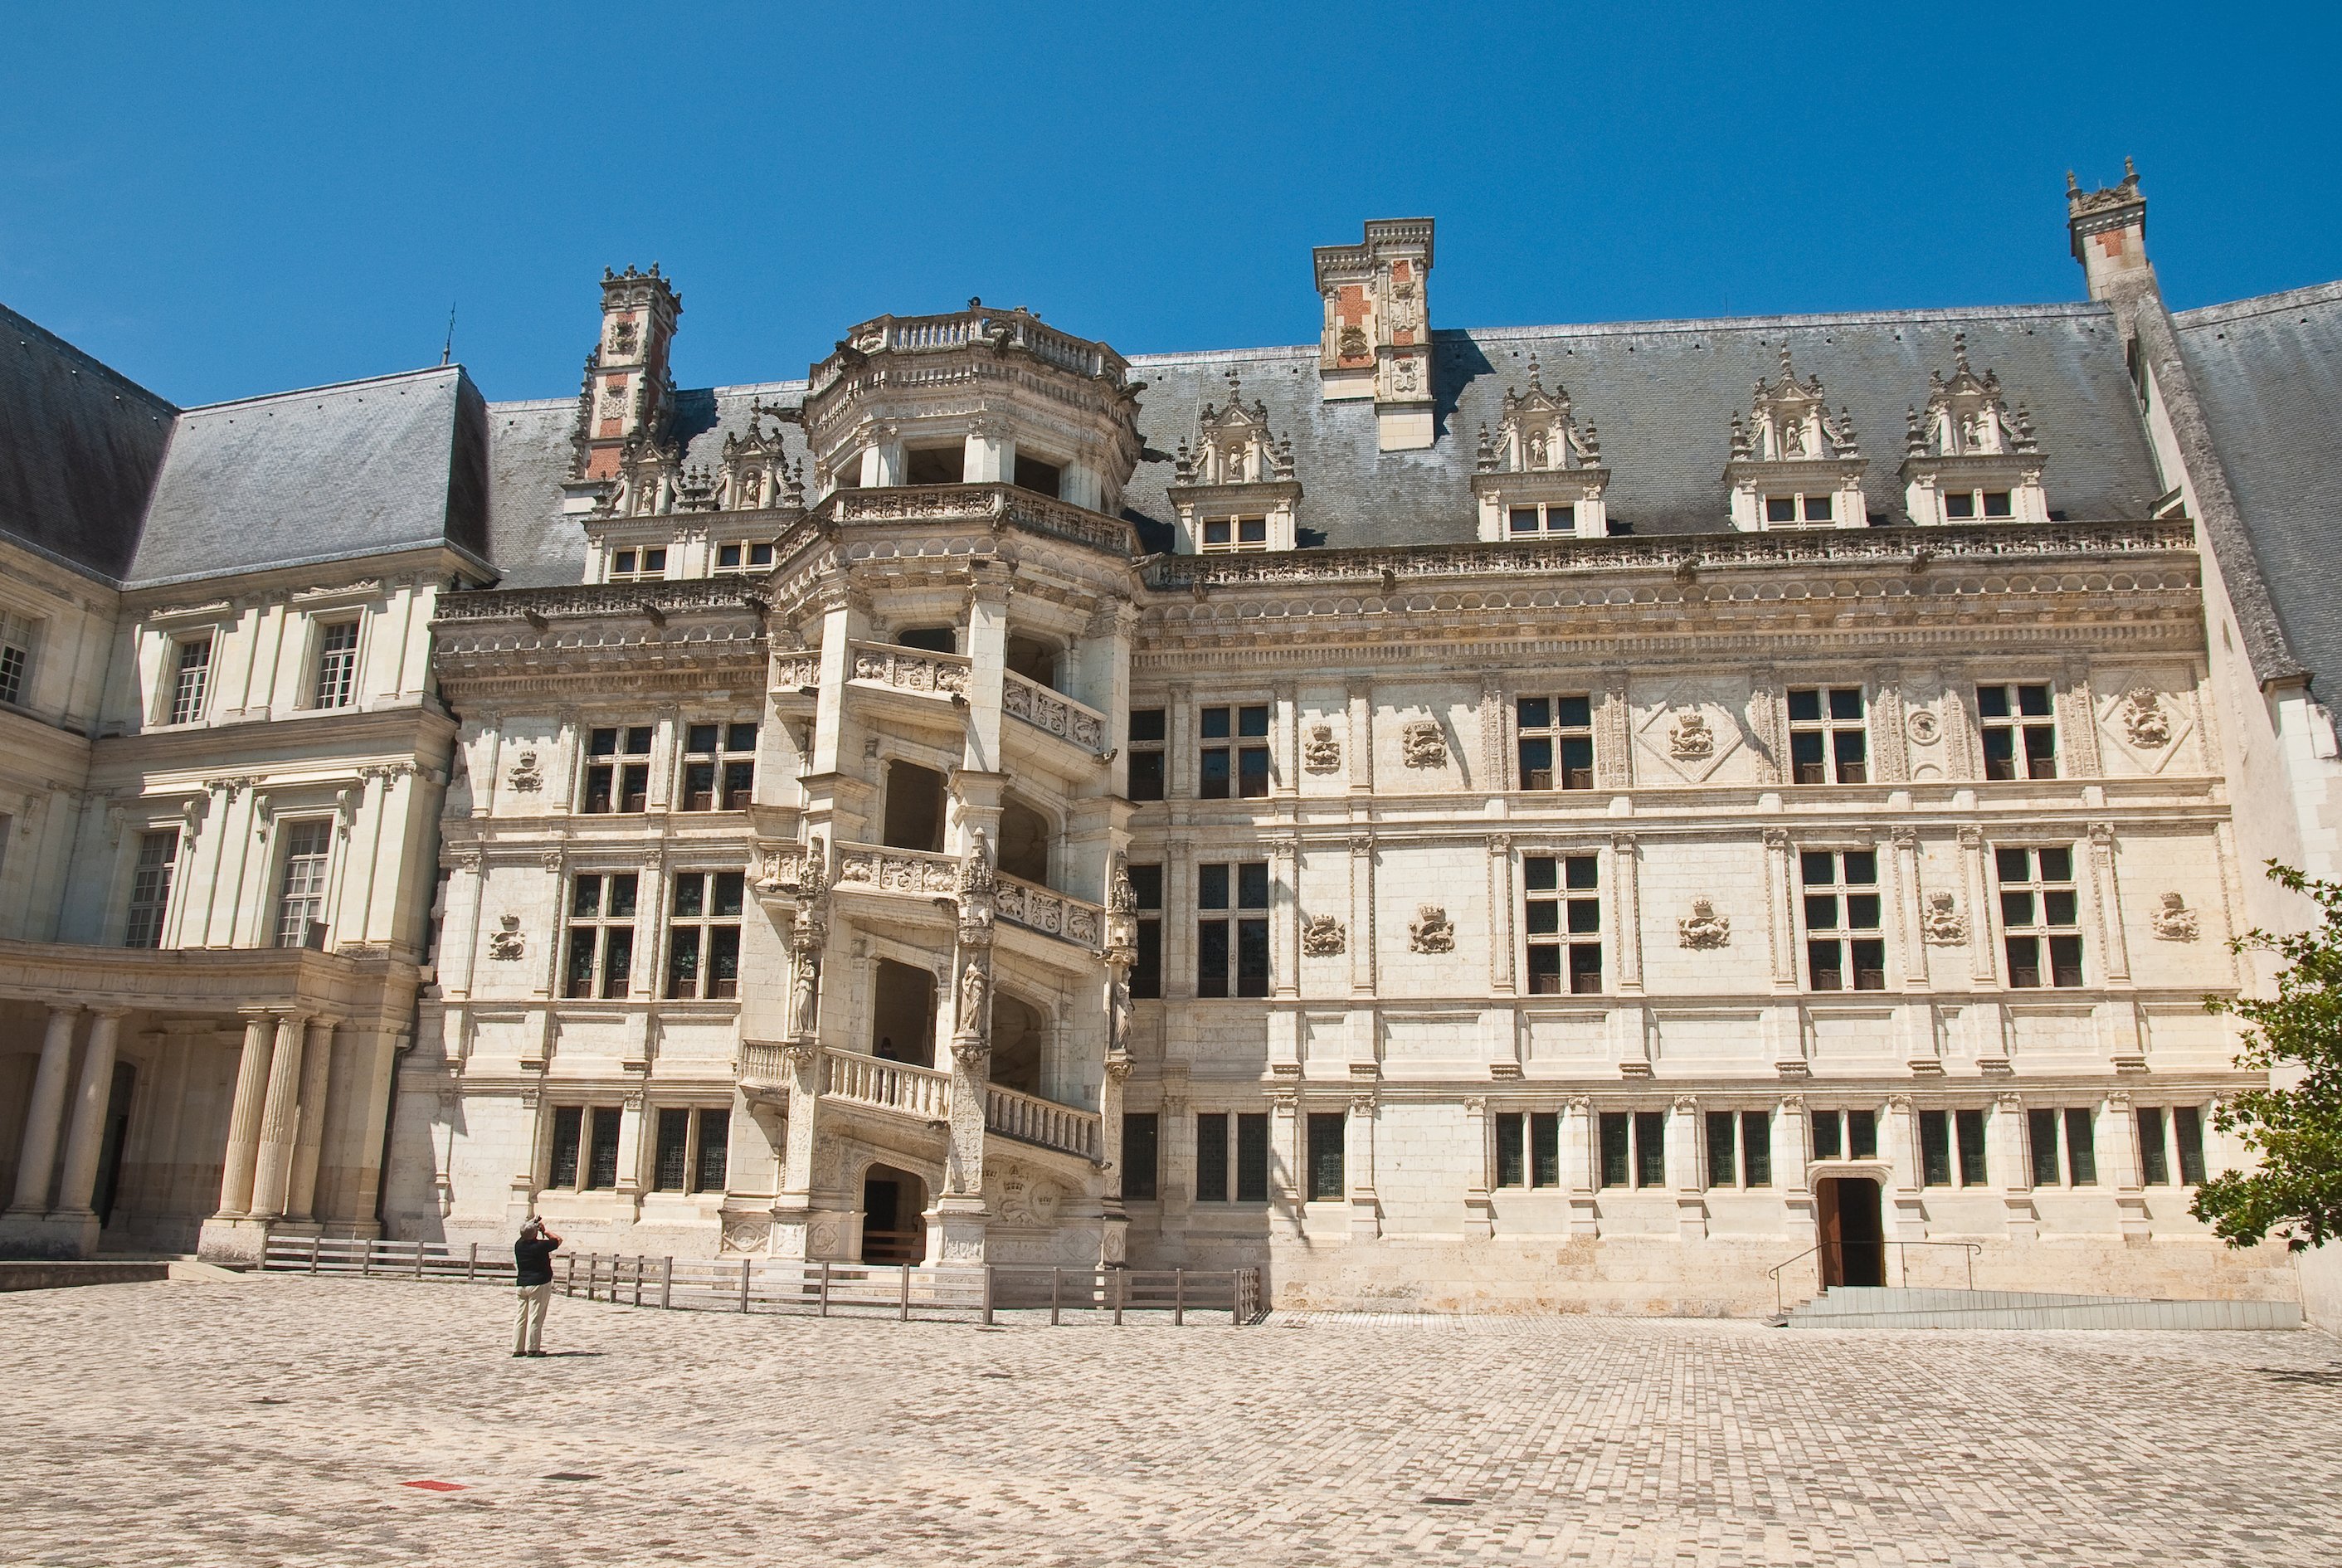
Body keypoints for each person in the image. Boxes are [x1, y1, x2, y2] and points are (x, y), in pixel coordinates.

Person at [512, 1218, 562, 1357]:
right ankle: (533, 1348)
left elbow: (525, 1235)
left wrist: (530, 1225)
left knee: (520, 1317)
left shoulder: (518, 1245)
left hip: (522, 1283)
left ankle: (517, 1348)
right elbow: (558, 1240)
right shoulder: (540, 1246)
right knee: (535, 1317)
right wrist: (544, 1231)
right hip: (539, 1283)